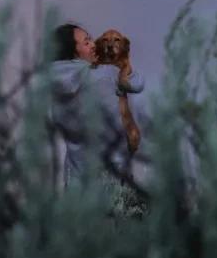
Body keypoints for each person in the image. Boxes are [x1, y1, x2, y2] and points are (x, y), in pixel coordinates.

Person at [48, 23, 145, 189]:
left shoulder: (51, 83)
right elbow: (138, 83)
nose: (94, 44)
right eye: (86, 42)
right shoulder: (106, 74)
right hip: (111, 172)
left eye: (91, 39)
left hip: (76, 176)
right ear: (73, 51)